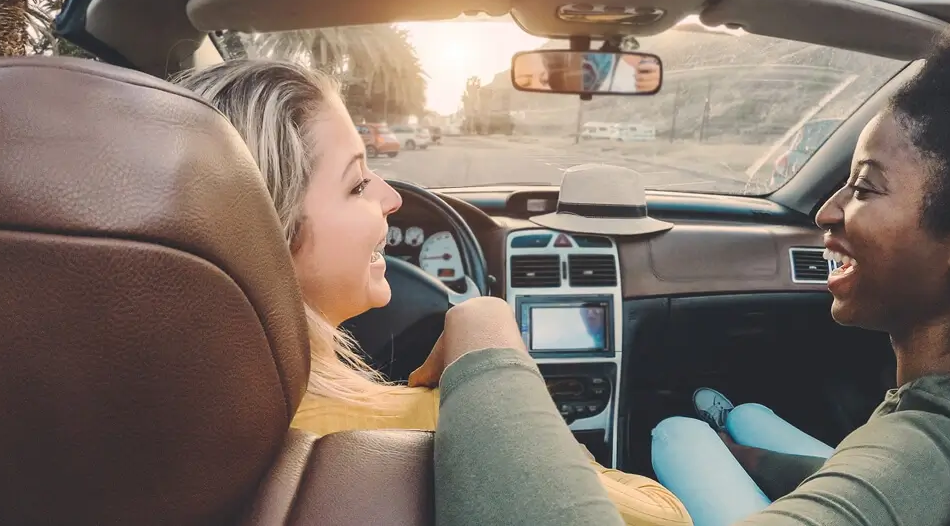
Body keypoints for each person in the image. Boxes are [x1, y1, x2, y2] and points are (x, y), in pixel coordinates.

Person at [435, 0, 950, 526]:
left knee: (677, 433)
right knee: (736, 422)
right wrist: (766, 464)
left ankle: (703, 421)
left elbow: (902, 476)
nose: (824, 212)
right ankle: (726, 420)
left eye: (863, 187)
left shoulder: (930, 450)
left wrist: (484, 337)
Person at [172, 59, 691, 526]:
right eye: (357, 184)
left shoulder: (161, 435)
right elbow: (669, 517)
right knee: (682, 437)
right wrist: (549, 439)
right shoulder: (446, 425)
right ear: (268, 231)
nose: (391, 197)